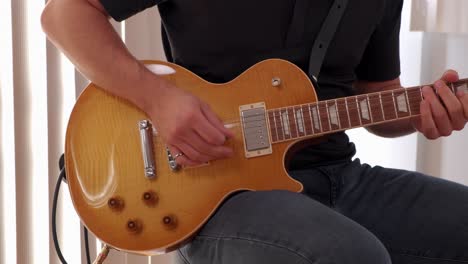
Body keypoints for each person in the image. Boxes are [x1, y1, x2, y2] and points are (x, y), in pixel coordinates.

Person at [41, 0, 468, 263]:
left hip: (338, 174)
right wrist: (160, 101)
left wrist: (421, 113)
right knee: (350, 255)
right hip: (216, 191)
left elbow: (378, 98)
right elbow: (64, 15)